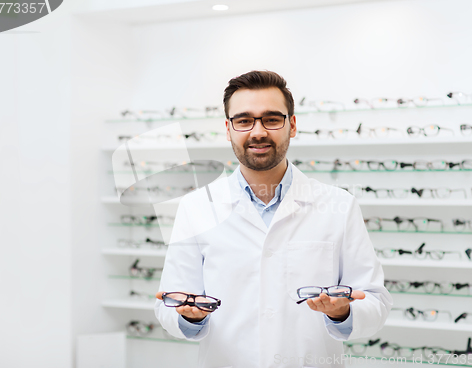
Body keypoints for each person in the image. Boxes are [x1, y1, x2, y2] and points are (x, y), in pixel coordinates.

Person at [155, 70, 392, 368]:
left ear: (291, 125)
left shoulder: (338, 205)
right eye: (243, 120)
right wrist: (190, 317)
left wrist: (341, 313)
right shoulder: (197, 207)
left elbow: (376, 302)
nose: (258, 132)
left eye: (271, 119)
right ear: (228, 129)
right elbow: (168, 305)